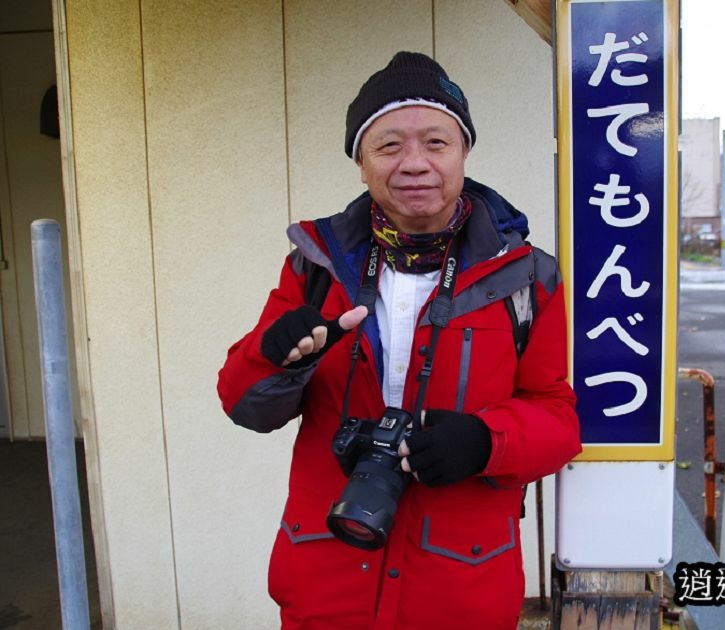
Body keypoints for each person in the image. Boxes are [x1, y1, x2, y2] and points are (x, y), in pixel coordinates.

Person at [217, 51, 581, 630]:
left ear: (463, 153)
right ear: (360, 162)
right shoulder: (314, 268)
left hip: (461, 589)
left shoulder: (529, 278)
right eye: (388, 146)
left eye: (436, 142)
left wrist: (487, 442)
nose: (414, 163)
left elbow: (559, 419)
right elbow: (244, 404)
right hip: (328, 577)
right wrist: (272, 354)